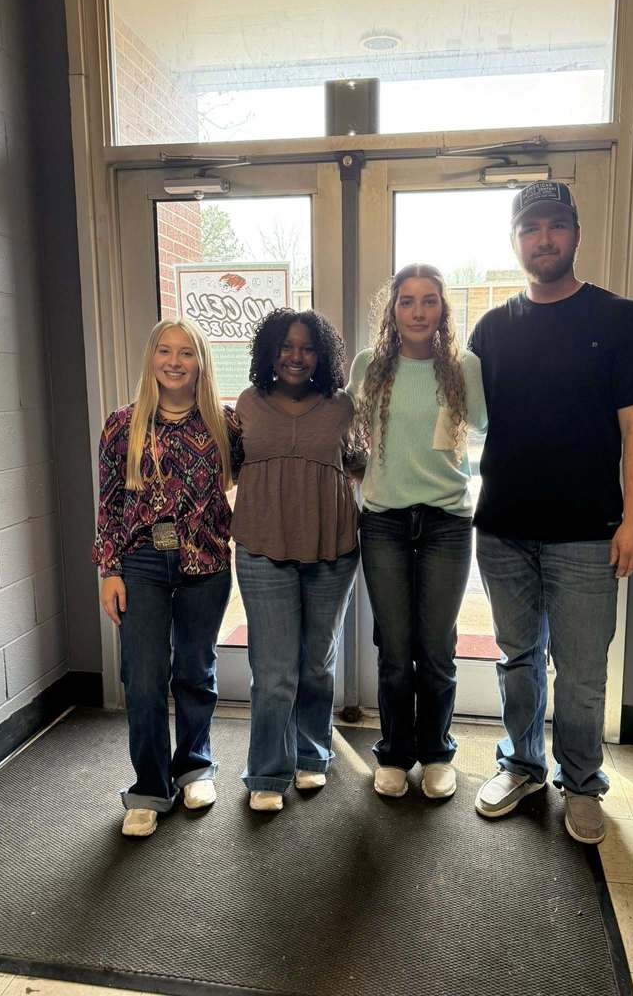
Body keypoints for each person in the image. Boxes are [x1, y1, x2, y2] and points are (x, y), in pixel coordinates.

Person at [468, 181, 633, 843]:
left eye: (555, 225)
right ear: (515, 241)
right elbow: (455, 418)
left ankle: (582, 783)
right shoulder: (491, 329)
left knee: (580, 673)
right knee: (517, 659)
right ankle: (522, 764)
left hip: (587, 535)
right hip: (503, 531)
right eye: (531, 228)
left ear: (576, 234)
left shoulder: (620, 319)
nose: (544, 238)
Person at [93, 317, 239, 838]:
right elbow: (110, 504)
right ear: (151, 358)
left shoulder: (226, 424)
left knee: (196, 670)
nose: (174, 362)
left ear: (201, 363)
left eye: (186, 353)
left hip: (206, 563)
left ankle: (195, 766)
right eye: (164, 351)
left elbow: (262, 479)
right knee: (144, 676)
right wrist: (109, 569)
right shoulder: (122, 424)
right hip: (141, 565)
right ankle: (151, 787)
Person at [348, 264, 487, 800]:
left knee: (435, 648)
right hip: (383, 522)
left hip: (446, 523)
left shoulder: (463, 366)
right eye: (407, 301)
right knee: (394, 646)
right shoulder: (370, 365)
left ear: (442, 309)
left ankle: (435, 753)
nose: (418, 311)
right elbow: (345, 428)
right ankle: (393, 753)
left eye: (429, 300)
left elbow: (483, 425)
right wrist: (362, 473)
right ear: (393, 310)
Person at [232, 308, 360, 812]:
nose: (296, 356)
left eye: (307, 347)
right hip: (262, 548)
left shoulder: (342, 406)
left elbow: (361, 464)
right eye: (286, 346)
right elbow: (226, 466)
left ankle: (312, 754)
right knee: (274, 670)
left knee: (316, 663)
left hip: (332, 550)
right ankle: (267, 770)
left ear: (322, 355)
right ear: (270, 352)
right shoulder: (248, 403)